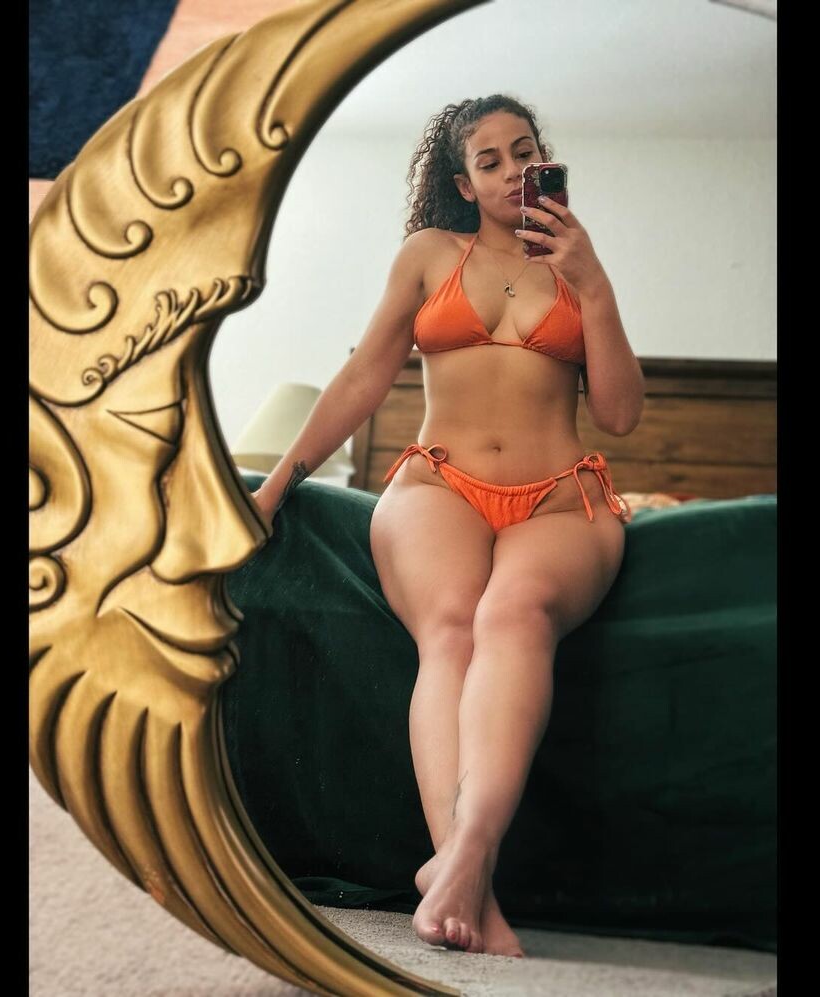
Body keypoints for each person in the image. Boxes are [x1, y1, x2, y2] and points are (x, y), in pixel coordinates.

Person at [251, 95, 645, 958]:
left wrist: (595, 282)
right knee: (452, 627)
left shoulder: (578, 268)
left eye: (524, 152)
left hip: (559, 496)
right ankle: (472, 883)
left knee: (514, 614)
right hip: (441, 484)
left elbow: (619, 415)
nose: (511, 171)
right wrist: (277, 485)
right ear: (464, 183)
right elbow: (364, 377)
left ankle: (462, 859)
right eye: (489, 160)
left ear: (545, 162)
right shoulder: (430, 254)